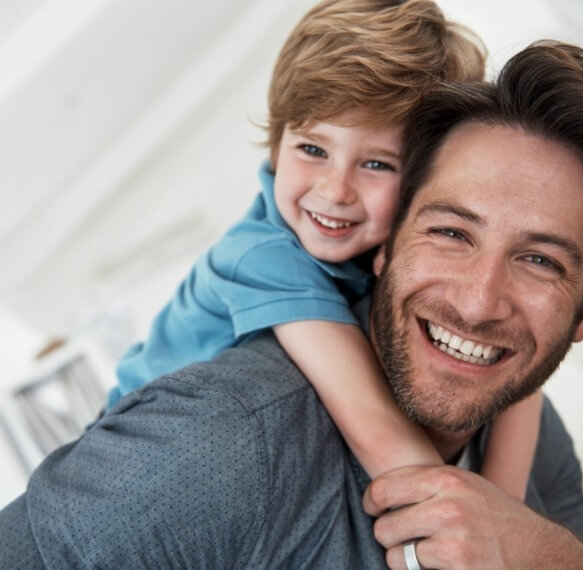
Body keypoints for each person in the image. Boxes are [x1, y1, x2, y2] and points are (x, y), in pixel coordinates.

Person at [0, 41, 583, 569]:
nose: (477, 300)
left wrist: (543, 555)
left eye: (540, 261)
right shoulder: (220, 440)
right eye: (450, 231)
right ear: (385, 246)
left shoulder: (523, 421)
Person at [105, 0, 541, 499]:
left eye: (377, 164)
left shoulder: (393, 251)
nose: (335, 190)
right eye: (313, 149)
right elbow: (382, 437)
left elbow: (522, 382)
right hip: (136, 457)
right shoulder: (261, 257)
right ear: (276, 143)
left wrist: (507, 509)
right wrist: (492, 531)